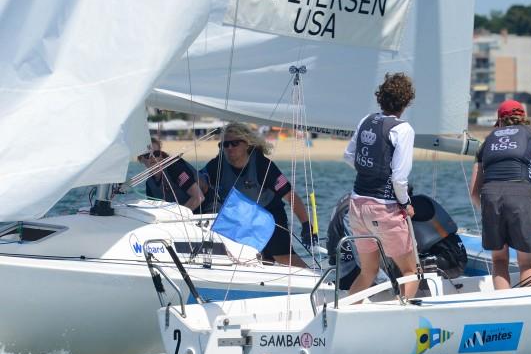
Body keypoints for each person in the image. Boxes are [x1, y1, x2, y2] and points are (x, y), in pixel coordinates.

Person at [469, 100, 531, 290]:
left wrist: (485, 210)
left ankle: (504, 307)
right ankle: (527, 310)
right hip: (521, 195)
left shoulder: (486, 142)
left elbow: (473, 192)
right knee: (527, 263)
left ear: (500, 120)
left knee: (499, 261)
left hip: (490, 197)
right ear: (524, 118)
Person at [343, 73, 419, 299]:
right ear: (406, 102)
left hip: (357, 205)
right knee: (409, 271)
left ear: (381, 97)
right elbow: (399, 179)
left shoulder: (366, 120)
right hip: (384, 208)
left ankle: (345, 315)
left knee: (368, 271)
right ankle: (403, 323)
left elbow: (349, 156)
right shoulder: (403, 129)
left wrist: (370, 172)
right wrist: (406, 204)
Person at [203, 122, 311, 267]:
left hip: (270, 216)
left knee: (283, 257)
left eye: (234, 143)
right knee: (255, 259)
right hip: (242, 218)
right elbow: (198, 183)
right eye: (224, 145)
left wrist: (305, 224)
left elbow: (290, 195)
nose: (229, 148)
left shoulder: (263, 165)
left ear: (246, 144)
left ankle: (316, 281)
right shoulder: (218, 165)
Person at [326, 190, 468, 290]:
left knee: (404, 261)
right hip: (349, 274)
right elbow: (363, 264)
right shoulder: (355, 211)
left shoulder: (359, 198)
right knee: (410, 269)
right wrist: (391, 286)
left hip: (353, 266)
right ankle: (403, 299)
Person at [138, 137, 204, 212]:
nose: (153, 158)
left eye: (156, 154)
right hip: (182, 218)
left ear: (161, 155)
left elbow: (198, 197)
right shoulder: (149, 184)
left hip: (205, 212)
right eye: (147, 155)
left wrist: (177, 217)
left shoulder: (174, 169)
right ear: (140, 159)